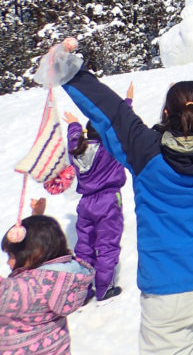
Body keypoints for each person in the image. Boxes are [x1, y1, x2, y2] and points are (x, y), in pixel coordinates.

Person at [37, 13, 193, 354]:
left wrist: (70, 72)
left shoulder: (144, 150)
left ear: (165, 115)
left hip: (164, 293)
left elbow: (111, 112)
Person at [62, 84, 131, 302]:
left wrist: (73, 123)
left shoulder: (77, 148)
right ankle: (104, 287)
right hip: (109, 200)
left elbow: (74, 134)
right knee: (107, 244)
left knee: (84, 246)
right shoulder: (108, 147)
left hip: (85, 204)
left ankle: (81, 291)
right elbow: (121, 126)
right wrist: (127, 102)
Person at [2, 199, 94, 355]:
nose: (9, 263)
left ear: (35, 253)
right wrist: (37, 216)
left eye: (12, 255)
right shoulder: (57, 279)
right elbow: (38, 249)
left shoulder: (28, 289)